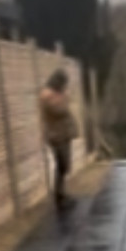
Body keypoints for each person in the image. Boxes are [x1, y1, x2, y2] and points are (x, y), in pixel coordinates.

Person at [40, 69, 79, 209]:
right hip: (56, 136)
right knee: (62, 165)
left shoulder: (56, 94)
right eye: (64, 83)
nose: (65, 87)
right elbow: (59, 111)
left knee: (63, 166)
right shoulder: (48, 95)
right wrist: (65, 97)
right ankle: (59, 197)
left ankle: (61, 195)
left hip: (63, 134)